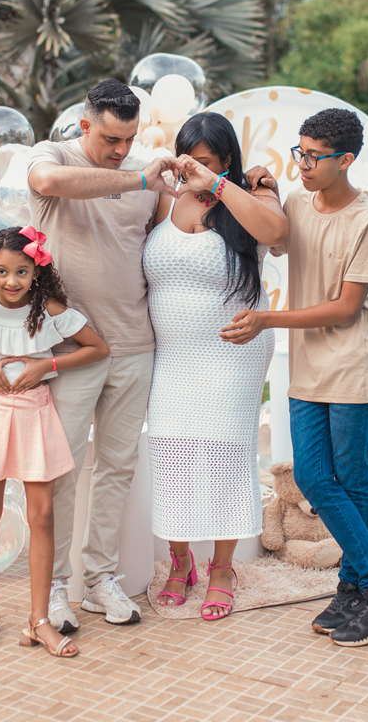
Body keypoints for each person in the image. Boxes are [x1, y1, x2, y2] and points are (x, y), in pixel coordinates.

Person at [220, 108, 368, 647]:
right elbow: (277, 239)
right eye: (299, 153)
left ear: (346, 159)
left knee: (350, 479)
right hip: (309, 369)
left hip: (354, 367)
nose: (302, 165)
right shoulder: (298, 202)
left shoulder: (367, 221)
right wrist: (266, 188)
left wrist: (267, 319)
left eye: (313, 157)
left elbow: (346, 309)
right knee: (313, 475)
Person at [27, 79, 180, 631]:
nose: (121, 149)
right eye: (110, 138)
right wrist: (136, 178)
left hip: (135, 343)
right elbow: (48, 182)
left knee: (117, 468)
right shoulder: (54, 156)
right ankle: (54, 589)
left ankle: (98, 581)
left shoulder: (148, 178)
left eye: (130, 139)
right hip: (69, 347)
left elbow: (168, 242)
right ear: (85, 125)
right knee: (61, 472)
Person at [0, 226, 110, 658]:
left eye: (22, 272)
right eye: (2, 271)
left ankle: (39, 620)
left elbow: (97, 348)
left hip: (35, 412)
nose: (11, 281)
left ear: (36, 272)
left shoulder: (49, 309)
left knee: (43, 514)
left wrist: (47, 364)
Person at [142, 112, 287, 620]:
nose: (194, 171)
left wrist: (221, 186)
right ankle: (180, 561)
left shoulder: (253, 195)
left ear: (226, 159)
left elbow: (278, 234)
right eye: (189, 161)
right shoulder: (167, 197)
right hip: (171, 358)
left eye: (205, 162)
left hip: (232, 356)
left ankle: (223, 568)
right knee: (172, 455)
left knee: (224, 456)